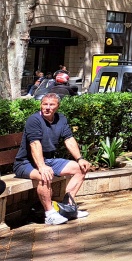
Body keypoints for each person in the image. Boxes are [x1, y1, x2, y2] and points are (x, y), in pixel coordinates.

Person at [14, 93, 91, 225]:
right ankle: (50, 214)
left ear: (58, 106)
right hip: (25, 163)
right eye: (45, 104)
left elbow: (69, 139)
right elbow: (34, 144)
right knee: (45, 175)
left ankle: (68, 208)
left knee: (81, 169)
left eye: (51, 104)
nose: (47, 107)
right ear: (41, 105)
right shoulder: (34, 120)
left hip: (49, 160)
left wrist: (80, 158)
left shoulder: (61, 119)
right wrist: (42, 167)